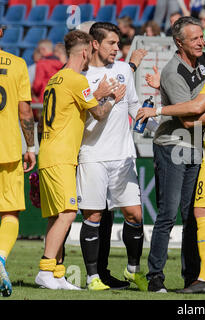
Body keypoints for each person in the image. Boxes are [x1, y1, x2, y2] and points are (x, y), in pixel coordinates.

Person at [137, 20, 205, 294]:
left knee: (193, 217)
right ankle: (155, 278)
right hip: (174, 145)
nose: (200, 42)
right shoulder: (173, 72)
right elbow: (189, 120)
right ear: (179, 43)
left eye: (202, 37)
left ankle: (193, 278)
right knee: (168, 214)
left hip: (198, 148)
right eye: (195, 39)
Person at [34, 30, 123, 290]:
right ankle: (46, 268)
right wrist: (110, 97)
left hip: (49, 151)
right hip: (62, 155)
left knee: (56, 216)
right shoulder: (77, 80)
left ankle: (58, 274)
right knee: (69, 212)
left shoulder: (55, 79)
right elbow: (98, 113)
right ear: (85, 52)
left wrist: (96, 93)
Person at [76, 22, 148, 291]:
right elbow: (79, 117)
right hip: (92, 154)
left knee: (135, 215)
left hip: (123, 156)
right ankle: (93, 278)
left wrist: (154, 122)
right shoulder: (80, 76)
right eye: (111, 43)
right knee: (93, 217)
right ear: (95, 44)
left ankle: (133, 271)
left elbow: (133, 105)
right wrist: (103, 97)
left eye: (118, 44)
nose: (117, 49)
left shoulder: (122, 71)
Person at [0, 25, 36, 297]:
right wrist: (31, 146)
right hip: (8, 148)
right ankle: (0, 258)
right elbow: (25, 110)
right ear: (1, 33)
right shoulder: (17, 64)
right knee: (10, 212)